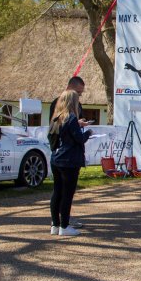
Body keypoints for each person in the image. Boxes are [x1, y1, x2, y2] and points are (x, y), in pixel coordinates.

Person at [48, 90, 90, 236]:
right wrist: (88, 133)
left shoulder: (57, 117)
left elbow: (52, 138)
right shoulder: (71, 118)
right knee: (67, 194)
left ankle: (55, 224)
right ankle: (64, 226)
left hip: (56, 159)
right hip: (69, 161)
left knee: (57, 192)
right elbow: (80, 139)